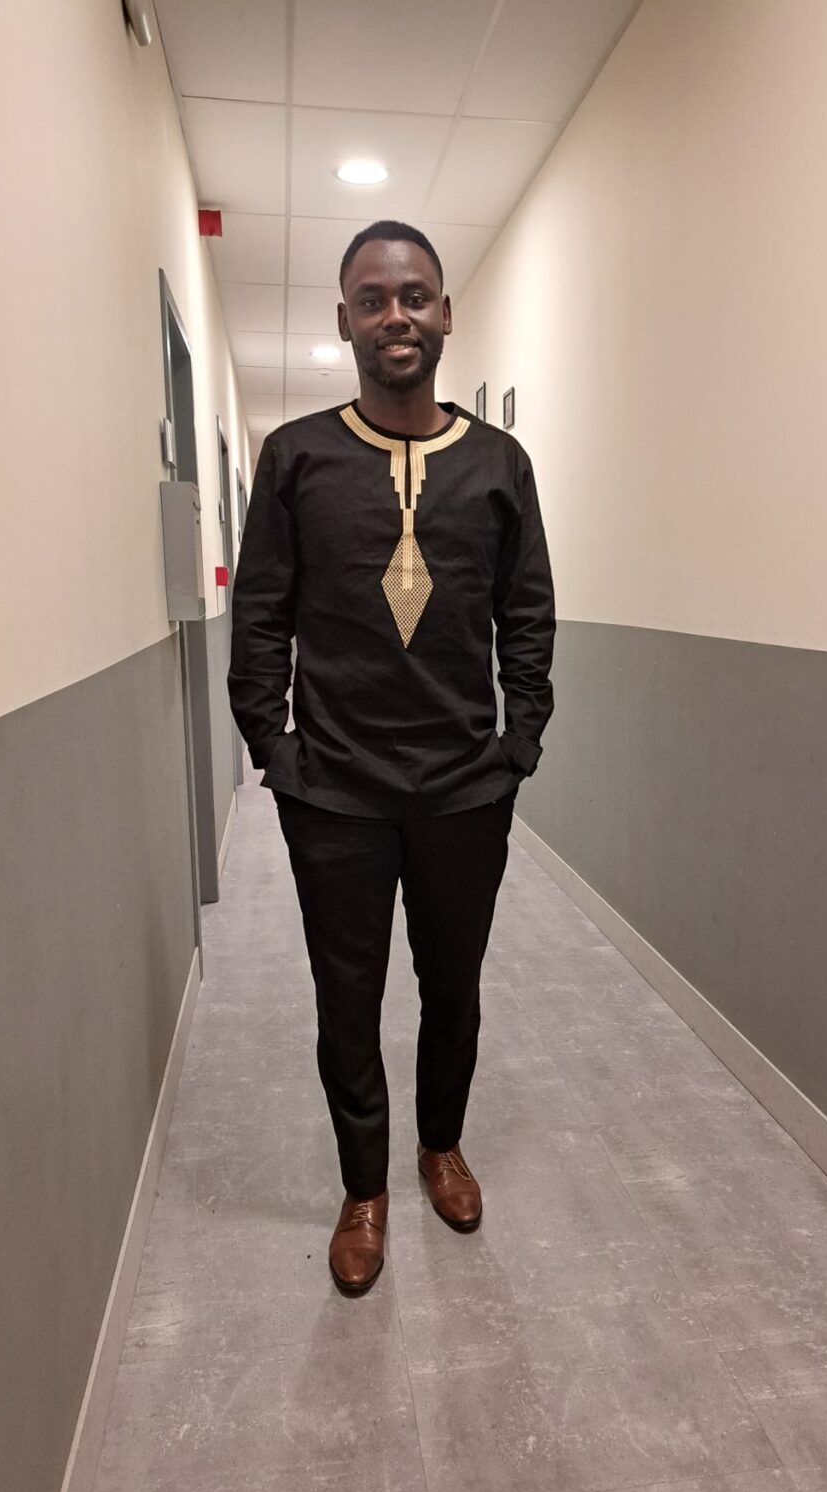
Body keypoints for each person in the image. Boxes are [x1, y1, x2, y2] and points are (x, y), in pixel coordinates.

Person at [228, 220, 555, 1296]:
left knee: (452, 988)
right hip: (335, 791)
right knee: (347, 996)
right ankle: (362, 1189)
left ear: (446, 312)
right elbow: (261, 615)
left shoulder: (500, 464)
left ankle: (440, 1146)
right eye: (372, 300)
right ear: (344, 322)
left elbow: (528, 612)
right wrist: (275, 748)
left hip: (465, 788)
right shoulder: (296, 458)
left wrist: (518, 741)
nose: (396, 316)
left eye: (414, 295)